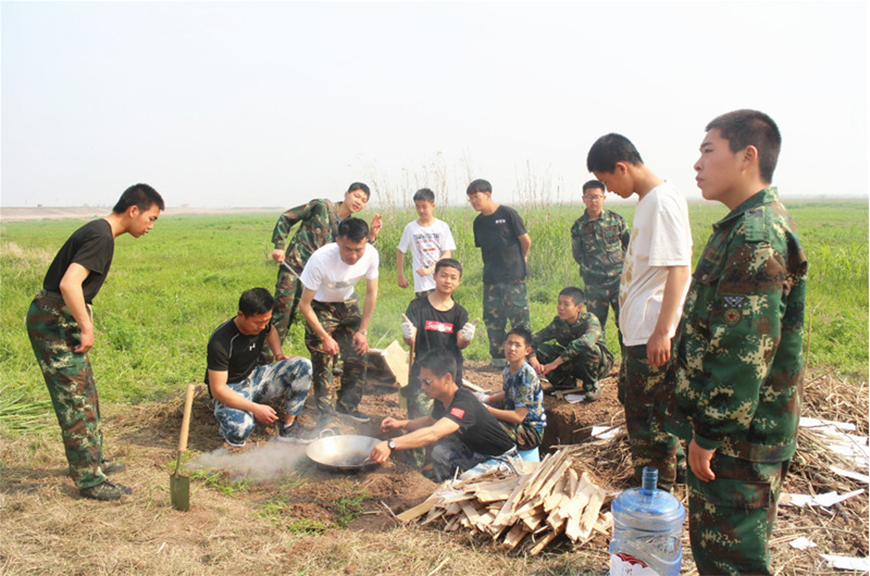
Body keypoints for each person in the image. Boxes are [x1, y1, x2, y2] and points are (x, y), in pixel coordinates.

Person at [661, 110, 807, 575]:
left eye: (708, 150)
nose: (697, 164)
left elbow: (744, 352)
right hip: (735, 440)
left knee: (733, 563)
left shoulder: (754, 234)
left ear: (748, 157)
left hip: (738, 445)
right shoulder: (741, 227)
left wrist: (710, 433)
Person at [26, 183, 164, 501]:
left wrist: (85, 309)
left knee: (86, 392)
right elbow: (69, 283)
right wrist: (87, 327)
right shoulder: (101, 235)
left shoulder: (100, 232)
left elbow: (76, 286)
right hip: (54, 323)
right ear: (133, 210)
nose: (151, 226)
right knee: (74, 401)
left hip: (59, 318)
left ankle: (93, 460)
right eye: (152, 218)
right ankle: (88, 481)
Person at [586, 133, 692, 489]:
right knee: (638, 405)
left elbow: (678, 268)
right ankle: (670, 476)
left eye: (607, 180)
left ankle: (656, 491)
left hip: (652, 332)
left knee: (650, 419)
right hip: (640, 331)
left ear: (622, 167)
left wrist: (663, 331)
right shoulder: (648, 200)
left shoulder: (662, 201)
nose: (607, 189)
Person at [369, 348, 519, 482]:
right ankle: (442, 484)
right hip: (476, 452)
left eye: (427, 381)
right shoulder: (442, 399)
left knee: (465, 483)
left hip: (503, 460)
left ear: (447, 378)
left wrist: (391, 444)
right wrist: (400, 424)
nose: (422, 387)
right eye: (420, 381)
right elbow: (430, 421)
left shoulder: (463, 403)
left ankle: (453, 487)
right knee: (440, 453)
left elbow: (432, 433)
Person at [268, 183, 382, 352]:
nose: (359, 201)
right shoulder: (321, 207)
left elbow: (354, 252)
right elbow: (287, 217)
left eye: (364, 200)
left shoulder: (350, 226)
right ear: (346, 194)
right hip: (296, 268)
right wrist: (279, 245)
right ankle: (269, 359)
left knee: (325, 318)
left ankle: (332, 358)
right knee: (283, 314)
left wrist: (371, 236)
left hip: (321, 280)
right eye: (357, 196)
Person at [205, 288, 312, 448]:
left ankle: (289, 428)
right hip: (231, 388)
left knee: (303, 365)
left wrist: (279, 355)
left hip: (255, 377)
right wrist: (255, 408)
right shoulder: (221, 342)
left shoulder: (262, 325)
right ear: (241, 315)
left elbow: (271, 331)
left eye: (266, 321)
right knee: (239, 431)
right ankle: (227, 420)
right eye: (258, 322)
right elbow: (218, 390)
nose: (263, 326)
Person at [298, 218, 379, 426]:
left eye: (358, 250)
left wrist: (363, 331)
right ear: (337, 241)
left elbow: (371, 293)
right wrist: (325, 337)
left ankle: (348, 405)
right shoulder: (320, 260)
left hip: (348, 303)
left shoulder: (370, 254)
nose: (353, 256)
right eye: (347, 249)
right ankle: (327, 415)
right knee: (323, 358)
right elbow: (304, 305)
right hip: (320, 305)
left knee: (358, 352)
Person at [400, 258, 476, 467]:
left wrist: (467, 338)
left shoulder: (459, 312)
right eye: (443, 275)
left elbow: (461, 343)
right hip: (423, 376)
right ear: (434, 277)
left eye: (453, 277)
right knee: (418, 419)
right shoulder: (418, 306)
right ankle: (413, 468)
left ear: (459, 282)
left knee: (446, 424)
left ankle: (440, 465)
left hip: (450, 379)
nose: (447, 281)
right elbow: (411, 339)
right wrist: (408, 334)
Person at [467, 178, 531, 368]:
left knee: (519, 320)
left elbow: (525, 241)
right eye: (471, 199)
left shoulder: (508, 214)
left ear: (488, 195)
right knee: (493, 319)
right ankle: (497, 359)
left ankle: (522, 359)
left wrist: (523, 260)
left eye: (477, 197)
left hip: (513, 277)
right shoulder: (478, 222)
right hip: (491, 279)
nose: (474, 202)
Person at [570, 179, 630, 344]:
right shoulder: (579, 226)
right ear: (584, 199)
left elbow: (629, 244)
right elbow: (578, 254)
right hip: (594, 283)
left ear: (603, 198)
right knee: (595, 326)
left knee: (625, 322)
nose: (593, 201)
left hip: (618, 280)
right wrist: (592, 269)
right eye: (589, 197)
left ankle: (627, 363)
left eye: (597, 197)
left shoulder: (616, 220)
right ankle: (599, 364)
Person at [527, 287, 613, 401]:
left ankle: (591, 386)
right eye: (559, 303)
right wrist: (533, 359)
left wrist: (555, 363)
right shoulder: (558, 323)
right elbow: (532, 340)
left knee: (588, 348)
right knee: (541, 350)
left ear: (579, 307)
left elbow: (585, 342)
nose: (561, 308)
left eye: (566, 304)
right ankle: (564, 384)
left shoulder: (590, 320)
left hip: (598, 364)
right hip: (572, 360)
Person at [478, 327, 546, 451]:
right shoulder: (508, 370)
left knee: (482, 424)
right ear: (504, 345)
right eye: (509, 343)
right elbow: (508, 393)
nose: (512, 348)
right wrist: (487, 399)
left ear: (527, 351)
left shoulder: (526, 376)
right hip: (516, 424)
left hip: (528, 433)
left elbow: (518, 417)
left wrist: (487, 409)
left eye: (517, 345)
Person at [397, 188, 456, 298]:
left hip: (441, 279)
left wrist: (431, 269)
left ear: (433, 206)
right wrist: (400, 276)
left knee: (444, 311)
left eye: (424, 206)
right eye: (417, 207)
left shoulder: (442, 226)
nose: (421, 210)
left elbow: (447, 253)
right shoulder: (411, 228)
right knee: (424, 312)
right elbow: (401, 251)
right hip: (422, 282)